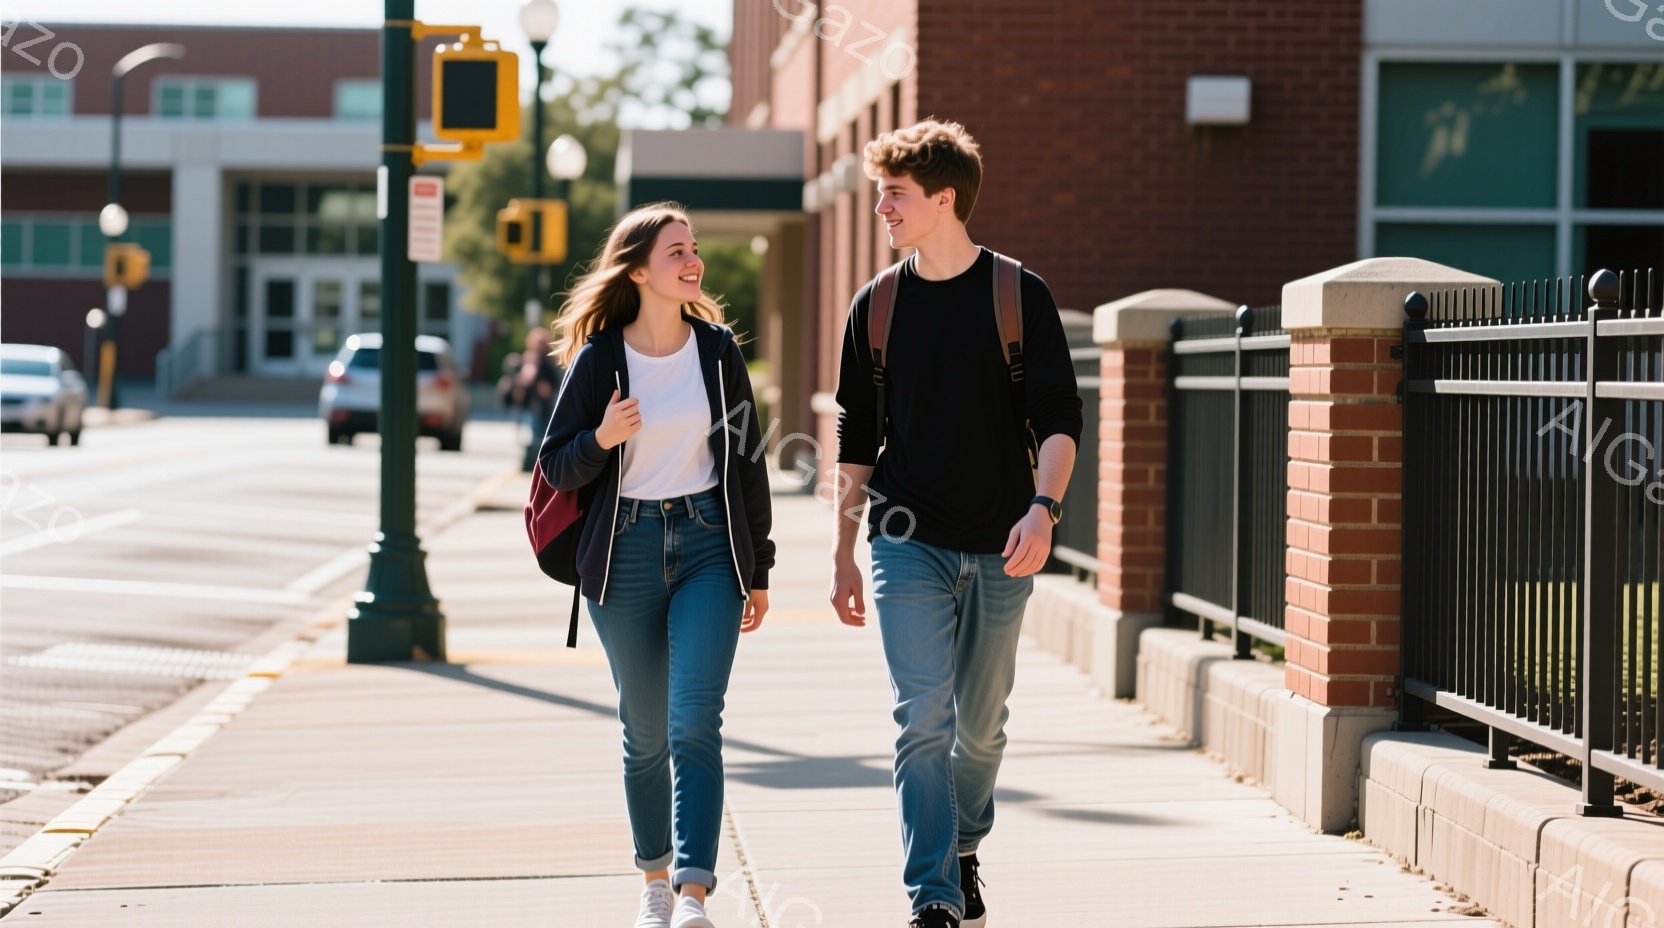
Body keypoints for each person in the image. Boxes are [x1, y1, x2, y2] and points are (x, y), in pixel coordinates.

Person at [829, 120, 1083, 928]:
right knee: (922, 718)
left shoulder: (1018, 295)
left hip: (1003, 545)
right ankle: (932, 892)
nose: (881, 208)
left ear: (944, 199)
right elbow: (854, 434)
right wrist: (841, 548)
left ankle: (964, 845)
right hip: (906, 544)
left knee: (980, 727)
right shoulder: (877, 305)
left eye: (894, 195)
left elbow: (1059, 415)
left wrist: (1044, 511)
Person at [539, 203, 775, 928]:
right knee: (645, 733)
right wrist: (602, 437)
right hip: (626, 553)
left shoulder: (717, 351)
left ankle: (695, 893)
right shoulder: (600, 358)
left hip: (708, 545)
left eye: (694, 248)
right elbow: (555, 463)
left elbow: (749, 459)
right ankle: (652, 878)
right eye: (676, 251)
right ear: (639, 270)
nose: (692, 260)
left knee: (695, 721)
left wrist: (758, 566)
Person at [502, 327, 562, 471]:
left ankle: (536, 463)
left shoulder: (542, 359)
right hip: (534, 403)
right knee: (537, 435)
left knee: (538, 435)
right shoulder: (537, 358)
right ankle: (536, 463)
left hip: (540, 403)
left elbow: (531, 379)